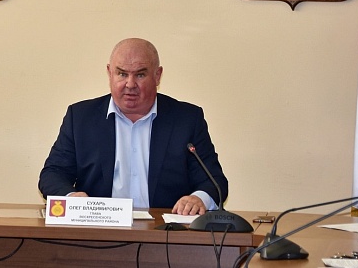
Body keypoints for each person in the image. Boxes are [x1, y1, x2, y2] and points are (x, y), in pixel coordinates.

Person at [39, 38, 229, 215]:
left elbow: (214, 181)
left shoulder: (186, 119)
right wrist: (71, 197)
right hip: (99, 229)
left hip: (166, 231)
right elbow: (53, 174)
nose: (130, 84)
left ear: (157, 76)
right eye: (122, 74)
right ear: (110, 73)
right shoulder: (81, 117)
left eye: (140, 74)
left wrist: (198, 199)